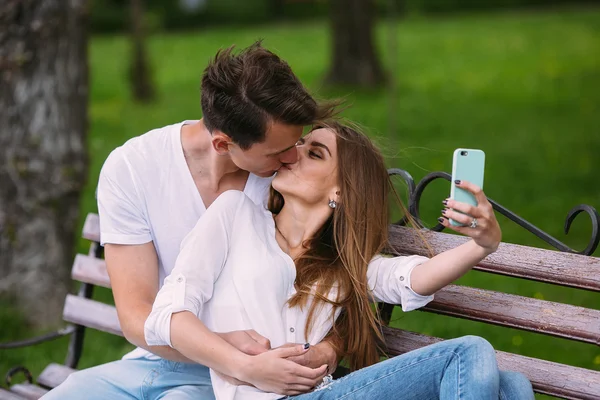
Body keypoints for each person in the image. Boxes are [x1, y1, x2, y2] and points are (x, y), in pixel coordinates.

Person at [143, 121, 535, 400]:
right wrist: (244, 368)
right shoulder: (234, 215)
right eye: (301, 145)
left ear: (340, 191)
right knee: (469, 351)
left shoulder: (343, 265)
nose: (293, 155)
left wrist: (482, 245)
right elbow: (165, 316)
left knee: (513, 387)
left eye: (313, 153)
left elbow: (411, 279)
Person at [42, 42, 342, 399]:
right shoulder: (134, 169)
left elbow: (345, 280)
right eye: (279, 152)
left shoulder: (291, 184)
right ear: (222, 144)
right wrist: (223, 352)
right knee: (68, 393)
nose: (294, 158)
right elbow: (137, 315)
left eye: (299, 142)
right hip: (166, 358)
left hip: (256, 376)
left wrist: (328, 350)